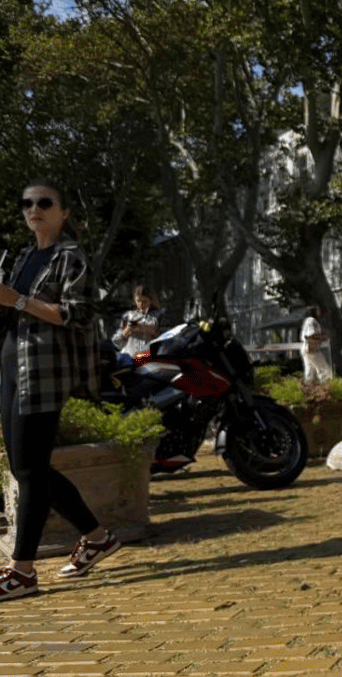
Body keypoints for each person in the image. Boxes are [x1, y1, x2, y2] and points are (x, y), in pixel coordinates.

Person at [0, 181, 122, 600]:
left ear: (63, 212)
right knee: (24, 467)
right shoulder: (23, 256)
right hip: (11, 365)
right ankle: (98, 536)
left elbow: (76, 313)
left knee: (32, 469)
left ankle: (22, 572)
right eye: (27, 202)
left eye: (45, 203)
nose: (34, 208)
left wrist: (16, 300)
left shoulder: (69, 256)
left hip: (45, 371)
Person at [112, 285, 162, 357]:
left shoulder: (157, 315)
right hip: (129, 356)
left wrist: (141, 327)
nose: (141, 304)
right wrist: (126, 331)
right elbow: (118, 344)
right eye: (138, 301)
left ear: (150, 300)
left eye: (144, 301)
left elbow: (162, 334)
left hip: (149, 357)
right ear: (135, 300)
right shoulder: (128, 316)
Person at [300, 305, 331, 381]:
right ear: (313, 312)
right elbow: (311, 335)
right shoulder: (312, 320)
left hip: (307, 348)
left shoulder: (307, 320)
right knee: (324, 370)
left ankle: (308, 388)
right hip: (312, 348)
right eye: (317, 311)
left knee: (310, 372)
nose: (319, 312)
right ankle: (327, 387)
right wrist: (322, 337)